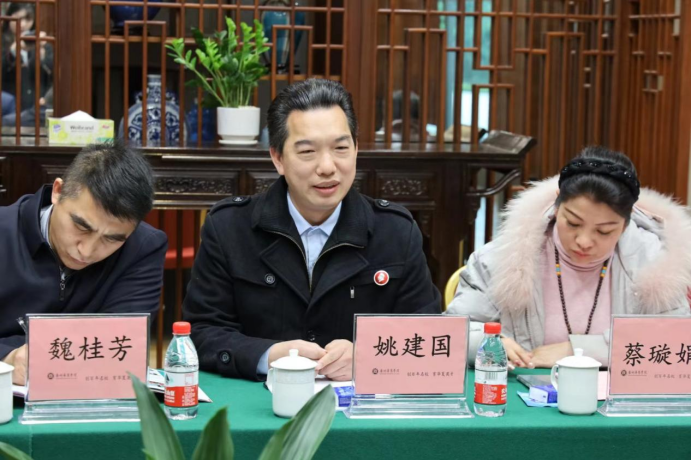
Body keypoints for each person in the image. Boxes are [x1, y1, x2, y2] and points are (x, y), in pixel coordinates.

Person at [183, 78, 441, 382]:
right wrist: (268, 355)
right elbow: (201, 333)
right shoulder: (229, 228)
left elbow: (429, 336)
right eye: (307, 151)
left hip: (359, 404)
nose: (327, 167)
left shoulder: (396, 231)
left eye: (341, 148)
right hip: (260, 400)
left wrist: (367, 356)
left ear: (356, 149)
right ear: (278, 158)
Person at [447, 146, 691, 368]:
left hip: (618, 399)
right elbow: (454, 333)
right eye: (573, 223)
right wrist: (487, 343)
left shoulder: (655, 263)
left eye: (604, 231)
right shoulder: (505, 257)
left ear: (627, 223)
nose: (584, 241)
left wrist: (577, 350)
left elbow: (677, 342)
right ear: (556, 206)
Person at [0, 141, 168, 385]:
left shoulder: (143, 248)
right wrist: (7, 357)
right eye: (82, 227)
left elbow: (119, 341)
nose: (86, 252)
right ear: (58, 191)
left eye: (112, 239)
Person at [1, 3, 53, 115]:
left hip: (37, 110)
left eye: (28, 19)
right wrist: (13, 50)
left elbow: (53, 75)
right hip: (8, 111)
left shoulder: (43, 44)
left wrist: (41, 54)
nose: (23, 24)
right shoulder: (2, 42)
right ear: (9, 17)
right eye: (18, 19)